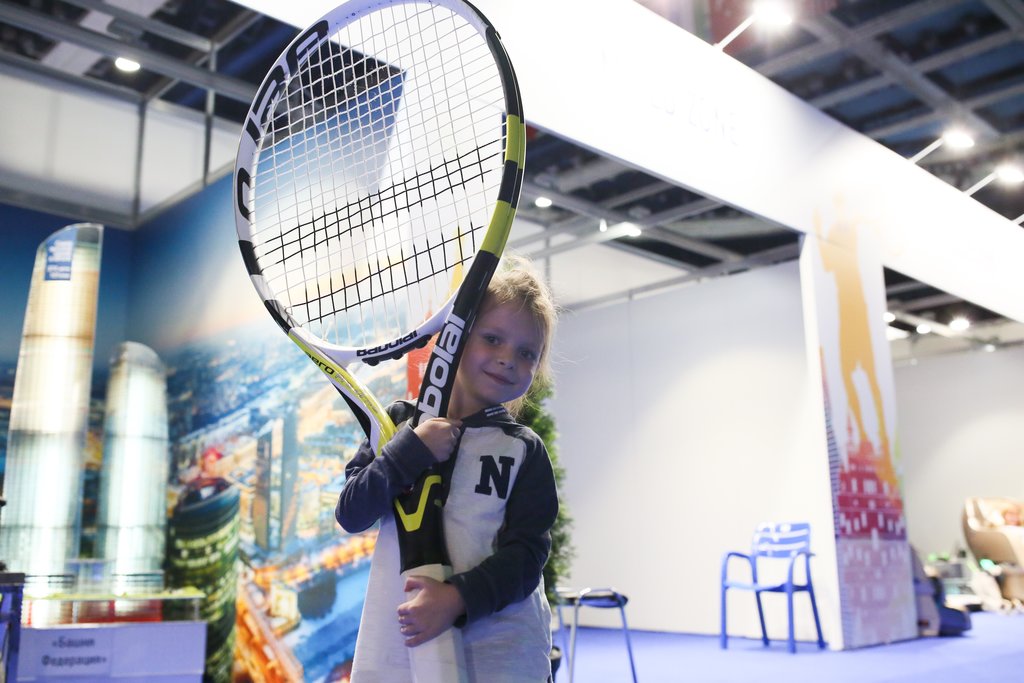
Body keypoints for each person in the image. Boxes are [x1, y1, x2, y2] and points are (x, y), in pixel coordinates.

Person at [336, 255, 559, 683]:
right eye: (492, 339)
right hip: (404, 649)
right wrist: (409, 451)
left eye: (526, 353)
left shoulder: (523, 450)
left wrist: (456, 598)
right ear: (457, 337)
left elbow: (527, 557)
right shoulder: (397, 425)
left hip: (501, 656)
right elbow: (352, 512)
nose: (508, 359)